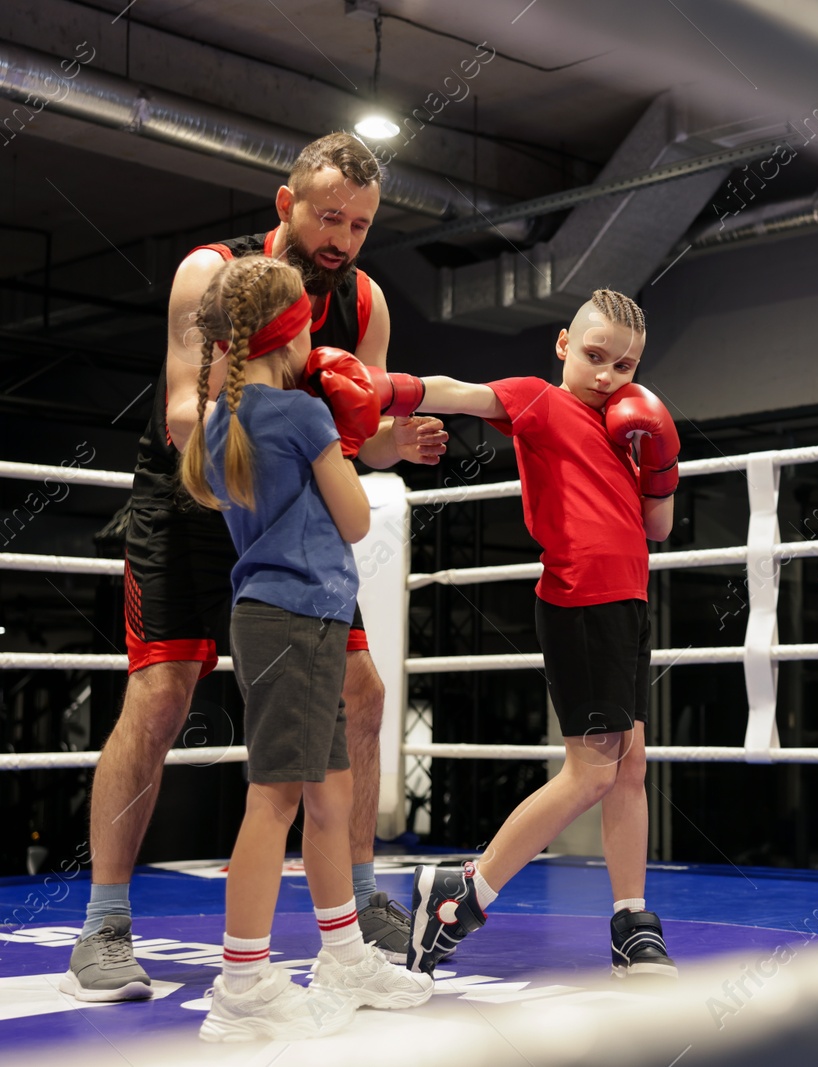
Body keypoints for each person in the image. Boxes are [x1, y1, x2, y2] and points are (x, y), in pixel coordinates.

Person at [67, 132, 448, 1002]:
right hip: (190, 494)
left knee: (364, 691)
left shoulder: (365, 302)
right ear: (286, 205)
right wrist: (317, 434)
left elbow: (360, 429)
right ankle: (103, 922)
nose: (342, 237)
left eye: (358, 224)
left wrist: (395, 439)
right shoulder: (212, 273)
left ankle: (355, 906)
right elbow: (181, 411)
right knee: (161, 697)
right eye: (328, 216)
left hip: (287, 519)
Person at [372, 290, 679, 979]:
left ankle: (632, 920)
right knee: (593, 768)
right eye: (595, 355)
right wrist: (388, 390)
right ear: (564, 343)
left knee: (629, 765)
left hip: (628, 601)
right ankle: (463, 891)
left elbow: (656, 528)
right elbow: (464, 393)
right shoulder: (542, 401)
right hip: (579, 601)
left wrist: (658, 468)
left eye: (624, 365)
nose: (607, 375)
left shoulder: (630, 429)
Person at [180, 254, 432, 1040]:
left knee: (326, 796)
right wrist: (345, 434)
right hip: (297, 619)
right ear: (294, 334)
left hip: (287, 618)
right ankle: (243, 982)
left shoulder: (220, 419)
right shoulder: (299, 415)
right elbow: (358, 520)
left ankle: (344, 954)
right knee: (277, 799)